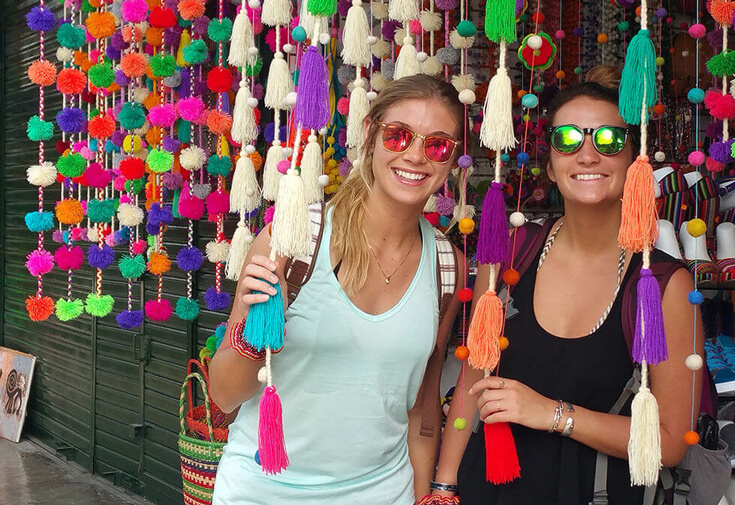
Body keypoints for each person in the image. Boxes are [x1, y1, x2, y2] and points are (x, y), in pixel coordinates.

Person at [429, 68, 705, 505]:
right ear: (551, 168)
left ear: (635, 164)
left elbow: (669, 443)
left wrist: (552, 414)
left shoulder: (662, 286)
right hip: (493, 487)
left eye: (609, 140)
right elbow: (473, 377)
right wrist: (443, 486)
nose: (588, 154)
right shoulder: (509, 254)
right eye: (569, 140)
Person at [209, 74, 466, 504]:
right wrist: (257, 328)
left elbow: (422, 408)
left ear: (452, 159)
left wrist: (427, 495)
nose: (416, 156)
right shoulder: (291, 241)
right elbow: (224, 393)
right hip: (265, 492)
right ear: (370, 134)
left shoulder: (447, 264)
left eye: (437, 144)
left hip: (384, 493)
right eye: (399, 136)